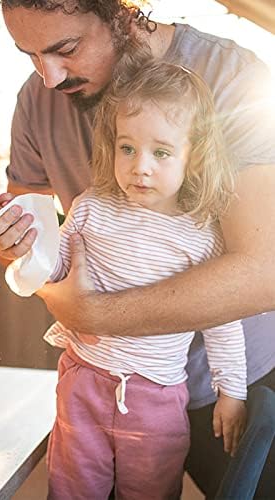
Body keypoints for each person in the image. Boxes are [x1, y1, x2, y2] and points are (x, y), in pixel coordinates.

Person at [0, 1, 275, 496]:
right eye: (29, 55)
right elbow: (38, 250)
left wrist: (96, 315)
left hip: (238, 387)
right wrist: (13, 245)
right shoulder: (36, 100)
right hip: (100, 382)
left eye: (65, 48)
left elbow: (266, 272)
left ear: (120, 11)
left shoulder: (232, 76)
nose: (48, 77)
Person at [42, 59, 247, 499]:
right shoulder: (91, 207)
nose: (141, 167)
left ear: (193, 157)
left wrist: (231, 391)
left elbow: (223, 316)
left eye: (161, 152)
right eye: (127, 148)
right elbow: (54, 267)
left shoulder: (200, 235)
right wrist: (26, 248)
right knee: (72, 490)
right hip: (82, 380)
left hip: (157, 399)